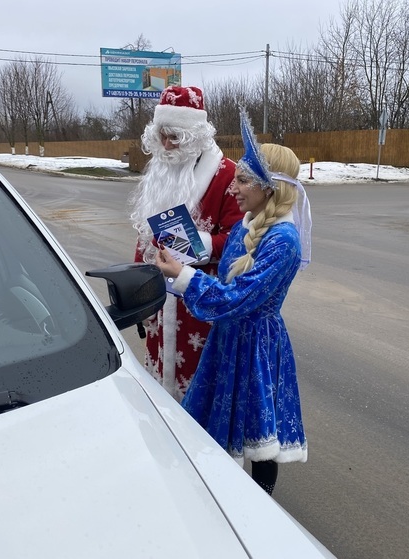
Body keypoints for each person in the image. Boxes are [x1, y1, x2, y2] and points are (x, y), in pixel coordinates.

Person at [153, 108, 312, 496]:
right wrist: (174, 275)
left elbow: (238, 298)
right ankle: (219, 493)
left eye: (242, 180)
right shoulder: (247, 225)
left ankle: (260, 504)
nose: (233, 188)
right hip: (230, 338)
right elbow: (224, 284)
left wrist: (183, 277)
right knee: (220, 416)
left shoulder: (283, 241)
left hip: (256, 344)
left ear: (269, 186)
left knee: (257, 429)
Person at [129, 85, 244, 402]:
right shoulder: (159, 170)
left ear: (195, 135)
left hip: (200, 306)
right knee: (161, 388)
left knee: (200, 393)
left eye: (175, 137)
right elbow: (145, 235)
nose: (166, 145)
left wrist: (191, 246)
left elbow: (239, 239)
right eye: (161, 136)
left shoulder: (227, 176)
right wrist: (138, 293)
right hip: (159, 306)